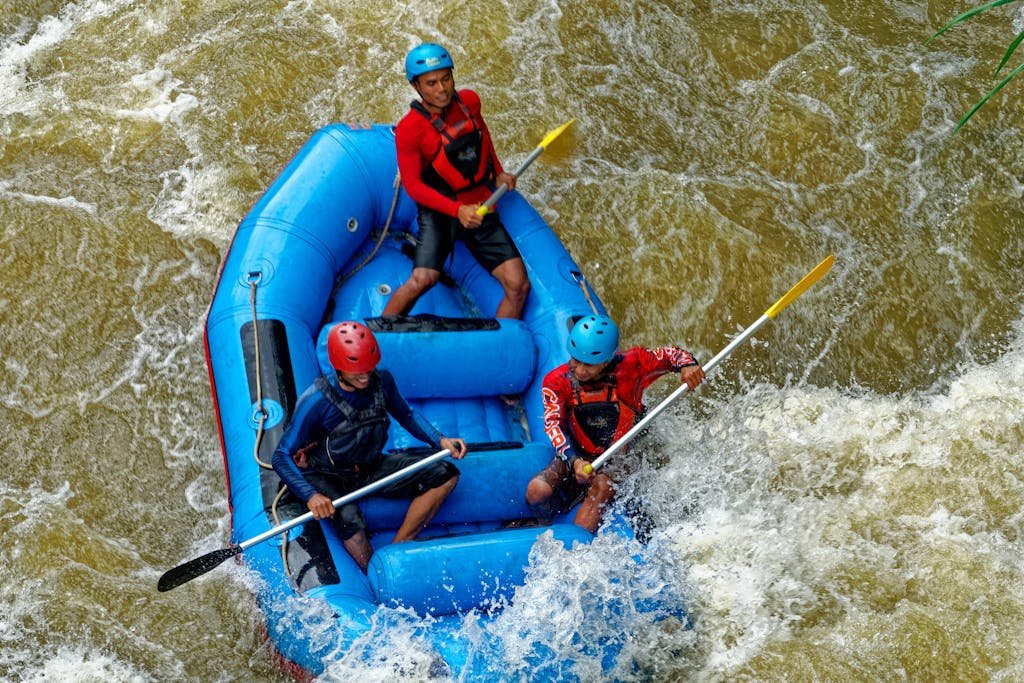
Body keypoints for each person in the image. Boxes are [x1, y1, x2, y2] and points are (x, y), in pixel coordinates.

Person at [272, 321, 467, 572]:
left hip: (369, 466)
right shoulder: (316, 400)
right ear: (339, 367)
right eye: (357, 371)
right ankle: (371, 573)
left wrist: (439, 439)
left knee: (445, 474)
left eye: (368, 368)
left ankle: (399, 548)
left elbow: (406, 415)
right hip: (326, 475)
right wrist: (311, 495)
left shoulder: (381, 380)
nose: (365, 376)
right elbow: (280, 456)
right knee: (349, 519)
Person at [382, 42, 531, 320]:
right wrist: (457, 211)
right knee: (423, 279)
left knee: (518, 285)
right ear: (417, 87)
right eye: (432, 83)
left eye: (446, 78)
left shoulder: (470, 102)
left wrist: (498, 171)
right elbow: (413, 186)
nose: (442, 89)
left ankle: (496, 349)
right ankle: (380, 333)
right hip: (441, 209)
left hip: (477, 203)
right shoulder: (409, 130)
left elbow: (482, 134)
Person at [525, 315, 705, 533]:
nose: (580, 370)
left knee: (601, 484)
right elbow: (553, 426)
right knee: (536, 491)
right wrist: (574, 462)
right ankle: (545, 524)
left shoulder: (633, 364)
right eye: (576, 360)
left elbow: (672, 355)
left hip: (622, 455)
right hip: (577, 453)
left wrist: (688, 365)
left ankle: (578, 548)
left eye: (589, 365)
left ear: (607, 359)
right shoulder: (556, 381)